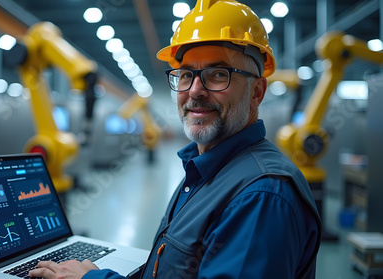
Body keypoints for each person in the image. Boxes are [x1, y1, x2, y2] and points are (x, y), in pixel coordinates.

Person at [29, 0, 322, 278]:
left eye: (218, 74)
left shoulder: (261, 196)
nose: (195, 91)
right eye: (185, 75)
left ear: (257, 91)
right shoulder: (203, 170)